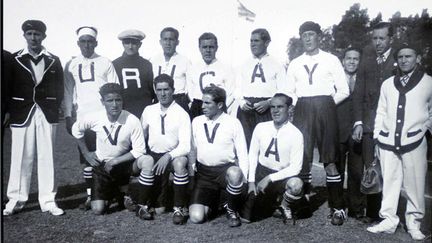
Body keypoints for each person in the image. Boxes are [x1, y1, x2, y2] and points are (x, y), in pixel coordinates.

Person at [366, 43, 432, 241]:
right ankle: (388, 220)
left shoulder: (428, 82)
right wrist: (377, 136)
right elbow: (381, 111)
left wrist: (424, 129)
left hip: (415, 140)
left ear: (417, 58)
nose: (404, 60)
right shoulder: (387, 83)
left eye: (409, 56)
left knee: (415, 183)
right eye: (401, 57)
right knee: (390, 182)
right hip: (387, 140)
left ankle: (414, 223)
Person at [286, 21, 349, 225]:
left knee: (330, 159)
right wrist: (299, 106)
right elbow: (289, 91)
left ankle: (338, 208)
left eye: (311, 34)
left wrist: (327, 105)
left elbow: (344, 90)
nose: (307, 38)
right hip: (303, 108)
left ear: (319, 37)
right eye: (304, 35)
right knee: (302, 158)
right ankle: (301, 203)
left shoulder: (331, 60)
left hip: (325, 107)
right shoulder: (295, 63)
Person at [3, 20, 64, 216]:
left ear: (43, 36)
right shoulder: (14, 59)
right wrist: (7, 110)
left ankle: (48, 200)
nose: (33, 38)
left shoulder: (54, 59)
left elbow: (60, 87)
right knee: (21, 156)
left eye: (37, 34)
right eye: (29, 34)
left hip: (46, 112)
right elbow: (6, 87)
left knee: (47, 156)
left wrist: (54, 105)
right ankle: (16, 200)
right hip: (22, 111)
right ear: (24, 36)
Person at [63, 26, 120, 210]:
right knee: (87, 158)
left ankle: (111, 193)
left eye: (90, 41)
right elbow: (68, 91)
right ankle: (91, 196)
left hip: (104, 117)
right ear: (78, 43)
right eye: (83, 41)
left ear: (96, 43)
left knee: (106, 155)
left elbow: (115, 87)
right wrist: (68, 115)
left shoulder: (105, 62)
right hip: (82, 117)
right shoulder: (70, 64)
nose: (87, 45)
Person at [71, 83, 149, 215]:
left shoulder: (132, 120)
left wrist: (115, 161)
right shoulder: (95, 117)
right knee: (98, 210)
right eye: (110, 100)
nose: (114, 104)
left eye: (118, 100)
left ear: (122, 100)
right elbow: (76, 129)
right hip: (102, 167)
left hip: (123, 166)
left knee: (145, 160)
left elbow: (139, 150)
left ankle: (123, 193)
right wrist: (86, 153)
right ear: (102, 102)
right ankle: (114, 193)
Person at [351, 22, 398, 223]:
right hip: (370, 124)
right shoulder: (366, 62)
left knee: (392, 169)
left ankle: (390, 211)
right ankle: (373, 212)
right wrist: (359, 122)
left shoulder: (400, 60)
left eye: (382, 38)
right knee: (372, 167)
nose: (378, 42)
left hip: (394, 123)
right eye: (375, 38)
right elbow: (358, 94)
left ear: (391, 39)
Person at [241, 93, 307, 224]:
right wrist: (251, 181)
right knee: (246, 218)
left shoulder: (296, 134)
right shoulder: (261, 127)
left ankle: (285, 205)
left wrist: (270, 178)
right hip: (261, 172)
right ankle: (272, 203)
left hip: (282, 177)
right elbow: (252, 155)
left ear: (289, 109)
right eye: (272, 107)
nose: (275, 111)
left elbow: (296, 167)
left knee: (296, 185)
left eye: (280, 107)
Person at [189, 85, 248, 227]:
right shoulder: (197, 121)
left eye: (207, 103)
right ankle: (219, 200)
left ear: (220, 105)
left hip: (224, 172)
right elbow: (193, 149)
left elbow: (242, 153)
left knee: (235, 173)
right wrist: (192, 176)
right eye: (202, 102)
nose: (202, 106)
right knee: (197, 217)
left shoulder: (233, 122)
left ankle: (232, 210)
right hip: (204, 174)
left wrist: (244, 180)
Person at [136, 74, 191, 225]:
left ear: (173, 90)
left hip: (172, 157)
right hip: (153, 156)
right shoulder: (149, 110)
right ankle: (142, 206)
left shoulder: (182, 113)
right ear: (155, 90)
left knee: (180, 164)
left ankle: (179, 207)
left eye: (166, 89)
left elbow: (186, 145)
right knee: (160, 210)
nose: (163, 93)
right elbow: (141, 136)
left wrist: (168, 156)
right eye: (159, 90)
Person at [236, 28, 287, 148]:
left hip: (266, 109)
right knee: (245, 145)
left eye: (256, 41)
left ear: (266, 43)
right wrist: (241, 102)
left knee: (266, 145)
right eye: (251, 41)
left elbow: (283, 90)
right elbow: (237, 87)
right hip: (246, 109)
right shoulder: (244, 64)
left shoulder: (276, 64)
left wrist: (269, 103)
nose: (252, 44)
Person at [336, 47, 365, 220]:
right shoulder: (335, 80)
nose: (352, 62)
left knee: (356, 171)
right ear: (343, 61)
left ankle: (356, 207)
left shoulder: (363, 80)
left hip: (356, 132)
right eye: (349, 58)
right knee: (336, 170)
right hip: (338, 130)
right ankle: (337, 205)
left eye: (356, 59)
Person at [188, 32, 235, 118]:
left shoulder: (226, 68)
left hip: (217, 107)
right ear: (199, 48)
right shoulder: (192, 68)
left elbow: (231, 92)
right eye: (204, 47)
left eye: (211, 47)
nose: (208, 50)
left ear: (216, 48)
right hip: (198, 107)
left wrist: (219, 108)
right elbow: (190, 91)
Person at [113, 29, 155, 118]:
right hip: (123, 110)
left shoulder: (146, 64)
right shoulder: (115, 64)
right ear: (123, 44)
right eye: (127, 43)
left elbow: (151, 90)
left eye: (134, 43)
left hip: (143, 110)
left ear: (140, 44)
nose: (130, 47)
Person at [150, 27, 191, 114]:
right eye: (165, 39)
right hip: (159, 100)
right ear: (160, 42)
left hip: (178, 100)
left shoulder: (185, 61)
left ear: (177, 42)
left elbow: (190, 86)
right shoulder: (153, 60)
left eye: (171, 39)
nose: (168, 43)